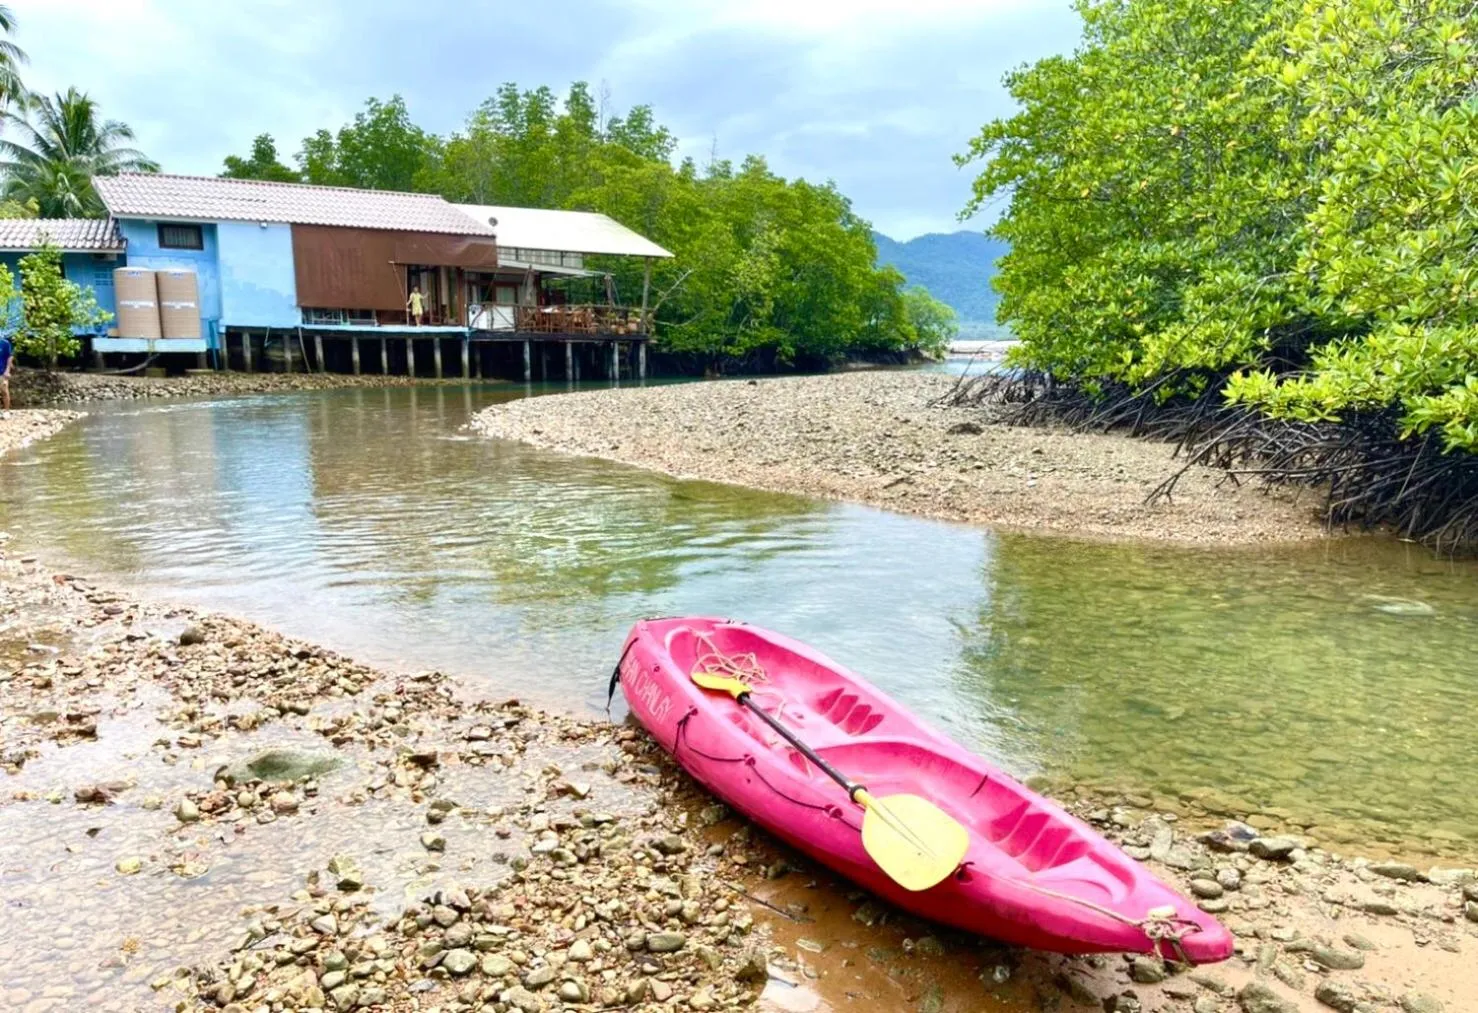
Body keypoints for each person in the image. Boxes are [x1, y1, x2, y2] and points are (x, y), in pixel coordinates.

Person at [0, 333, 13, 411]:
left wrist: (7, 370)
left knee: (4, 391)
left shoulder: (5, 343)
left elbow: (10, 356)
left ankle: (6, 411)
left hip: (2, 372)